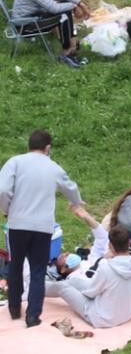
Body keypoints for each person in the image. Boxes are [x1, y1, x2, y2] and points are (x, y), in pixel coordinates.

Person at [0, 130, 100, 328]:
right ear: (48, 148)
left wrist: (7, 209)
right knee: (38, 270)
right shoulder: (53, 167)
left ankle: (14, 309)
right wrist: (77, 201)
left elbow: (2, 189)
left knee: (15, 265)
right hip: (43, 227)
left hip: (17, 224)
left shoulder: (15, 162)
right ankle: (33, 316)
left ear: (28, 145)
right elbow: (70, 187)